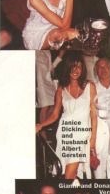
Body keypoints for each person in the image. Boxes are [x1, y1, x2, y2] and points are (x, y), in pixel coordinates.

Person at [22, 0, 77, 126]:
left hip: (58, 28)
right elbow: (64, 26)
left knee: (74, 33)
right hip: (37, 33)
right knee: (64, 34)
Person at [35, 50, 98, 180]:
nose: (76, 70)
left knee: (69, 174)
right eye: (73, 66)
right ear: (68, 68)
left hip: (82, 134)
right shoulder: (61, 89)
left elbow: (94, 115)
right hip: (65, 133)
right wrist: (41, 125)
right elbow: (55, 114)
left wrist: (92, 139)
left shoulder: (90, 86)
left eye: (79, 66)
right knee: (69, 174)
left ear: (83, 69)